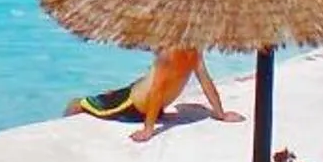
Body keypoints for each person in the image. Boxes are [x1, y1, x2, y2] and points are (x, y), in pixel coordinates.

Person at [68, 46, 244, 144]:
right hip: (131, 105)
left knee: (104, 98)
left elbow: (206, 81)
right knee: (80, 104)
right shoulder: (169, 52)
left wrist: (221, 113)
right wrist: (148, 129)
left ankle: (111, 94)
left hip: (150, 105)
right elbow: (156, 90)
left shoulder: (194, 51)